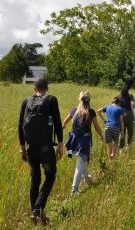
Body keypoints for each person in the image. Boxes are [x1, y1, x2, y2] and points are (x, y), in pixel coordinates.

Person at [18, 78, 63, 225]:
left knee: (35, 179)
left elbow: (20, 125)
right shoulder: (51, 100)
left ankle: (34, 215)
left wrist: (22, 148)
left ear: (34, 87)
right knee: (50, 175)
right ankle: (38, 209)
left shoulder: (26, 101)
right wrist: (61, 144)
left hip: (30, 147)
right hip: (45, 147)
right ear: (47, 88)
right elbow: (57, 122)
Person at [63, 91, 104, 195]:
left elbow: (64, 123)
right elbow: (96, 127)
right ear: (89, 100)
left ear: (79, 99)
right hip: (84, 140)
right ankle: (74, 189)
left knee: (82, 160)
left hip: (74, 138)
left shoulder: (74, 111)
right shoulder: (91, 112)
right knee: (81, 162)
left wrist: (62, 129)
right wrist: (101, 136)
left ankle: (87, 179)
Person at [97, 96, 124, 163]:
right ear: (119, 102)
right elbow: (121, 121)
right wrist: (122, 131)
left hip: (107, 126)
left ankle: (110, 161)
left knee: (109, 144)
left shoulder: (107, 107)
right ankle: (113, 154)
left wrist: (104, 120)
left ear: (113, 101)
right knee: (116, 142)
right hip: (115, 127)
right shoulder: (119, 109)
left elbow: (98, 112)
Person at [118, 84, 135, 150]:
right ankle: (129, 145)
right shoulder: (130, 95)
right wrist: (132, 105)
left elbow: (112, 103)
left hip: (120, 115)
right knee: (130, 130)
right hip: (128, 114)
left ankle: (121, 148)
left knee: (122, 131)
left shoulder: (118, 96)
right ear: (128, 90)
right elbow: (133, 104)